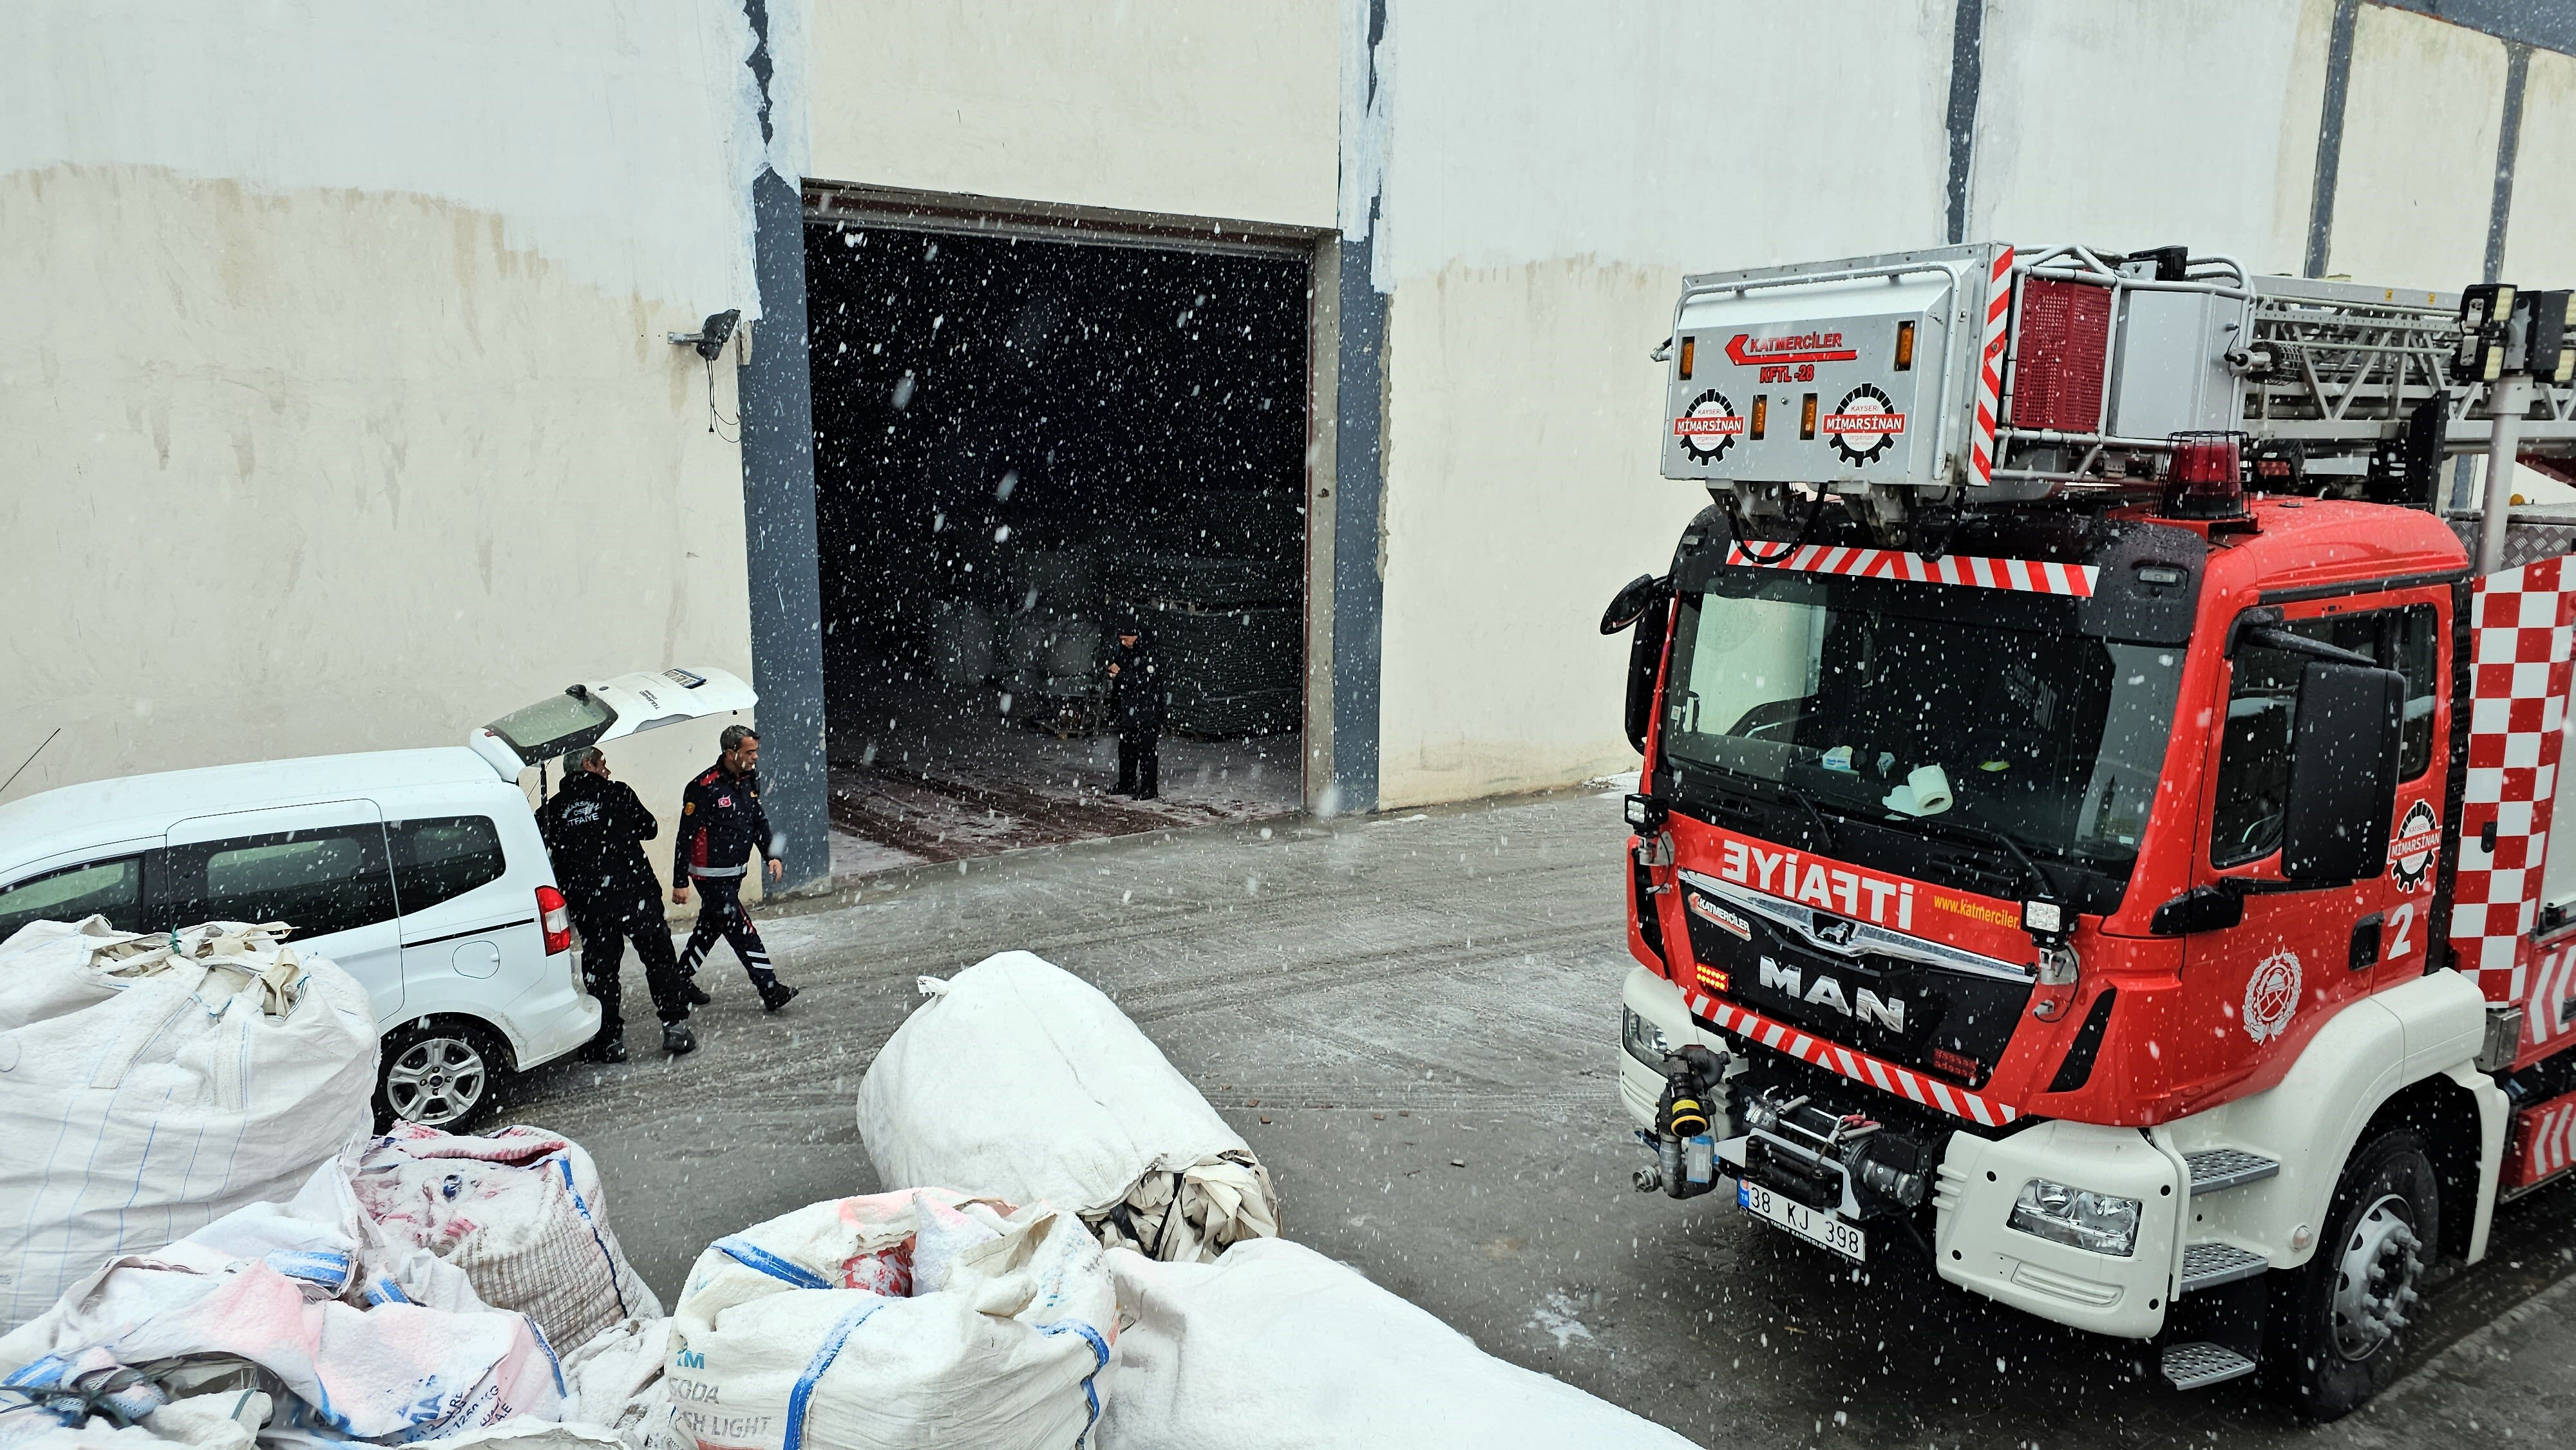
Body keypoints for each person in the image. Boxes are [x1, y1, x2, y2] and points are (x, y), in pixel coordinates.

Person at [537, 747, 697, 1060]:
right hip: (634, 893)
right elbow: (649, 828)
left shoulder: (551, 810)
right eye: (603, 765)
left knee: (601, 969)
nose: (607, 771)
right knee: (659, 959)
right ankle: (676, 1028)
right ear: (588, 765)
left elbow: (541, 852)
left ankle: (608, 1040)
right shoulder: (618, 793)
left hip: (589, 902)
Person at [671, 725, 799, 1011]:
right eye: (749, 752)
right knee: (743, 931)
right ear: (731, 753)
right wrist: (680, 881)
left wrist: (772, 855)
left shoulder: (748, 779)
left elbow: (759, 821)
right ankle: (770, 989)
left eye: (756, 751)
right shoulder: (703, 787)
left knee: (709, 929)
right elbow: (685, 836)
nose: (755, 758)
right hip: (711, 877)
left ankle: (677, 982)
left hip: (734, 873)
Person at [1107, 622, 1162, 800]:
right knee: (1126, 749)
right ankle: (1127, 782)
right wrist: (1113, 670)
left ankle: (1149, 787)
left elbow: (1146, 680)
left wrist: (1120, 677)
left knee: (1146, 750)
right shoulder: (1127, 650)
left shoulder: (1149, 652)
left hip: (1147, 710)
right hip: (1129, 710)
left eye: (1126, 639)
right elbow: (1118, 667)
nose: (1123, 643)